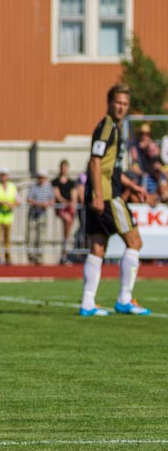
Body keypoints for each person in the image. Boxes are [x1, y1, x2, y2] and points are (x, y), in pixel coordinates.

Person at [79, 84, 151, 317]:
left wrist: (135, 186)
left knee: (98, 246)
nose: (121, 107)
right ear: (109, 102)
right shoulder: (107, 128)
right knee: (135, 241)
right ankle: (125, 299)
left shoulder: (115, 129)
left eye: (125, 104)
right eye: (118, 102)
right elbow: (95, 162)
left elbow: (114, 169)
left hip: (103, 191)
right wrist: (100, 195)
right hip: (108, 196)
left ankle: (88, 303)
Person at [51, 159, 78, 265]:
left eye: (65, 167)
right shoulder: (55, 181)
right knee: (67, 220)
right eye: (62, 167)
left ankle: (65, 247)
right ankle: (65, 244)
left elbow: (74, 195)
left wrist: (72, 203)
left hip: (69, 207)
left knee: (68, 223)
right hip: (61, 207)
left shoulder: (71, 182)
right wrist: (66, 202)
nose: (64, 169)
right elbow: (57, 195)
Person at [25, 169, 55, 265]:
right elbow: (29, 199)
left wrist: (46, 204)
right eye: (39, 177)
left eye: (42, 177)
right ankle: (31, 256)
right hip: (33, 214)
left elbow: (52, 200)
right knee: (30, 235)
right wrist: (37, 204)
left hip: (42, 214)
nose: (41, 179)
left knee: (41, 236)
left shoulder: (48, 187)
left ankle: (39, 257)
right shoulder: (33, 186)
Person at [0, 168, 18, 265]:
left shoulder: (12, 187)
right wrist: (2, 202)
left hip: (8, 217)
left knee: (7, 239)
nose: (3, 177)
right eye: (2, 175)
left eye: (5, 175)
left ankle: (8, 258)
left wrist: (13, 205)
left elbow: (18, 200)